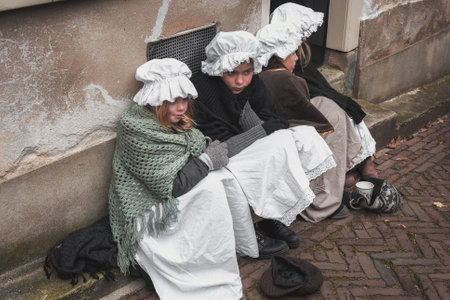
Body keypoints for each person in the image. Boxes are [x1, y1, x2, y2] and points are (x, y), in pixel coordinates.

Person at [108, 58, 257, 299]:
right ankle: (197, 262)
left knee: (223, 178)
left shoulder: (176, 124)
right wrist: (207, 161)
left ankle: (219, 253)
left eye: (184, 99)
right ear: (156, 101)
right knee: (212, 187)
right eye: (173, 101)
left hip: (175, 191)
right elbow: (169, 187)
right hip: (149, 206)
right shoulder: (137, 129)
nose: (181, 108)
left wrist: (208, 158)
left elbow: (193, 153)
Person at [192, 31, 337, 248]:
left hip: (250, 146)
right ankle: (254, 225)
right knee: (273, 149)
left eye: (247, 72)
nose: (240, 80)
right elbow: (221, 146)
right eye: (231, 73)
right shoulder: (204, 92)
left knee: (303, 137)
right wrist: (259, 128)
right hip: (223, 158)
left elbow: (274, 121)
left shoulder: (253, 84)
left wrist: (246, 111)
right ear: (219, 68)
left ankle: (271, 215)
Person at [269, 2, 378, 185]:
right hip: (303, 99)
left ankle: (364, 160)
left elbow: (318, 82)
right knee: (334, 115)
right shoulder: (279, 57)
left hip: (313, 91)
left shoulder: (302, 54)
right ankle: (341, 171)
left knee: (347, 108)